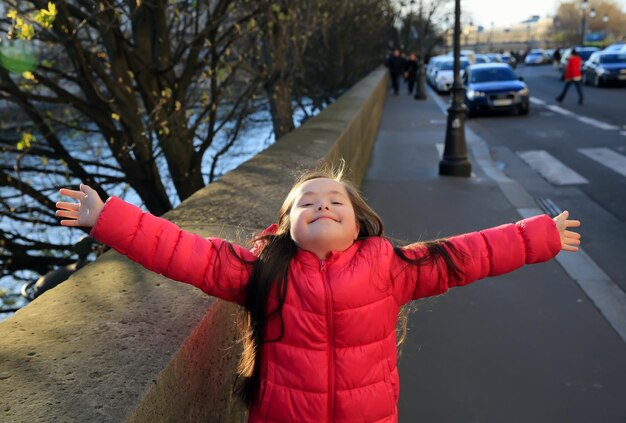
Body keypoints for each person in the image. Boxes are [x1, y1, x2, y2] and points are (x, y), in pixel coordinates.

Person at [55, 164, 581, 423]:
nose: (322, 206)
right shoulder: (260, 271)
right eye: (307, 203)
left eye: (335, 201)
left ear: (359, 224)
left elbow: (470, 254)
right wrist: (108, 219)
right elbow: (179, 249)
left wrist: (540, 236)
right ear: (286, 226)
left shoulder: (390, 266)